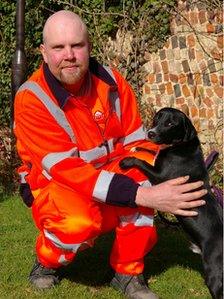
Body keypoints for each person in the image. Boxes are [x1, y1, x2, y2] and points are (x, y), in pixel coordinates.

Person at [14, 10, 207, 299]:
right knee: (77, 222)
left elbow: (137, 144)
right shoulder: (32, 99)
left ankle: (128, 274)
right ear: (44, 52)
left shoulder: (113, 82)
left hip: (108, 175)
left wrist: (165, 181)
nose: (69, 55)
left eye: (77, 45)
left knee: (146, 182)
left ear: (89, 46)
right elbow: (68, 170)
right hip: (59, 186)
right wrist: (141, 195)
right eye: (58, 47)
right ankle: (47, 260)